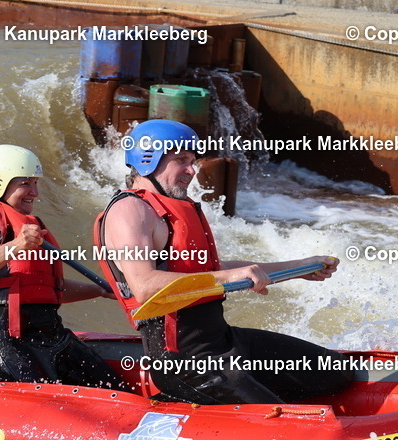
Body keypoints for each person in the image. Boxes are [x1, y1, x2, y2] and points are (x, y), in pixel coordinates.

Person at [93, 119, 354, 404]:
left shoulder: (173, 207)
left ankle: (240, 404)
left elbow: (214, 271)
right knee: (280, 421)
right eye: (181, 160)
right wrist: (229, 278)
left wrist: (299, 268)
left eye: (192, 161)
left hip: (223, 342)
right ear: (147, 160)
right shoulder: (130, 210)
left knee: (337, 372)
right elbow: (144, 286)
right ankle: (213, 406)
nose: (191, 171)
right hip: (184, 363)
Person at [0, 144, 128, 389]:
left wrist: (101, 290)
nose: (34, 192)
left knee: (113, 388)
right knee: (44, 402)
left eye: (35, 183)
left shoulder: (30, 224)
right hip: (6, 341)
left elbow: (45, 289)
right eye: (25, 183)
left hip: (51, 337)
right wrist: (17, 244)